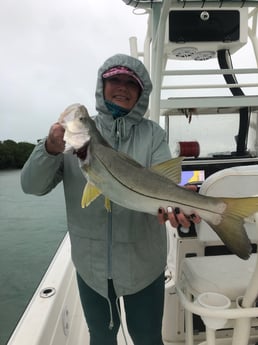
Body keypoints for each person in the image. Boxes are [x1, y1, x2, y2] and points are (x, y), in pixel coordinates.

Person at [21, 54, 200, 345]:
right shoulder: (69, 142)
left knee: (147, 337)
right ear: (101, 84)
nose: (122, 87)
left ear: (141, 94)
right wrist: (50, 149)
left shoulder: (152, 134)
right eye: (115, 79)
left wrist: (180, 203)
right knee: (101, 338)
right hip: (91, 268)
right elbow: (31, 186)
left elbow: (166, 182)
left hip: (144, 264)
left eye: (132, 83)